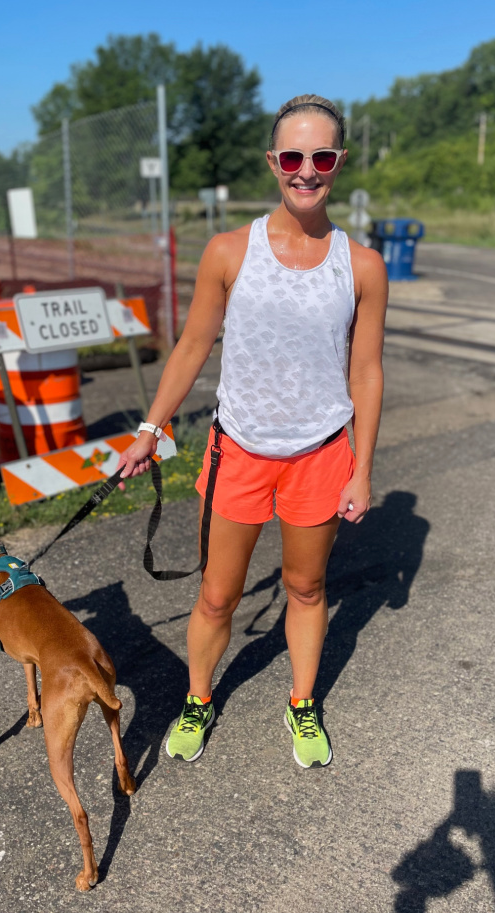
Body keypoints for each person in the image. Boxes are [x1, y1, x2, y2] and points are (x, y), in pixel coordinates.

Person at [118, 94, 388, 768]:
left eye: (321, 157)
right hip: (236, 451)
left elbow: (366, 372)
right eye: (292, 157)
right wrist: (150, 427)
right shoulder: (228, 251)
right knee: (217, 595)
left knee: (306, 589)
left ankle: (302, 704)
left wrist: (361, 469)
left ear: (339, 162)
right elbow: (191, 346)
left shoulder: (361, 266)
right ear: (273, 162)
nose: (306, 171)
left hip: (320, 455)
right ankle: (198, 698)